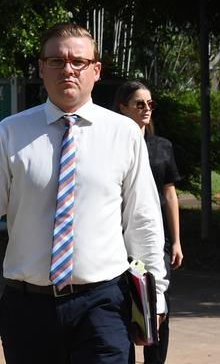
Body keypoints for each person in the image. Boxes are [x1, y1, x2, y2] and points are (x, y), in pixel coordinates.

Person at [0, 23, 167, 364]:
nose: (68, 69)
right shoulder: (10, 133)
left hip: (103, 304)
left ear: (95, 69)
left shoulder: (124, 134)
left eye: (78, 61)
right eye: (57, 61)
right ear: (41, 68)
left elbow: (143, 220)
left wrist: (156, 296)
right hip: (28, 307)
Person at [114, 81, 183, 364]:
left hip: (154, 238)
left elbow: (169, 193)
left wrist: (176, 240)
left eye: (150, 104)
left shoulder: (160, 146)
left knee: (156, 302)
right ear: (122, 107)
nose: (146, 109)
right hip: (117, 238)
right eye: (139, 104)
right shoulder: (112, 144)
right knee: (123, 305)